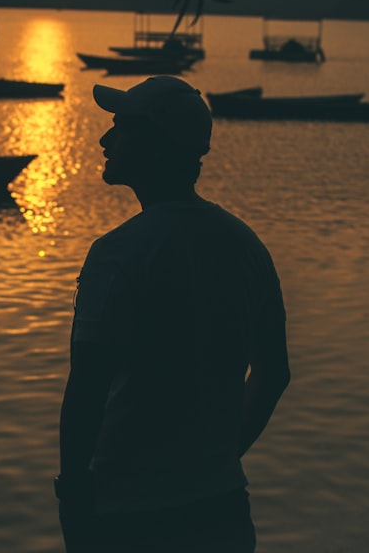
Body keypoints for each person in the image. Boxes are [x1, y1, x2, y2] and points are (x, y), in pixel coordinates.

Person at [56, 76, 290, 552]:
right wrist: (220, 456)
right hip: (222, 507)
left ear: (152, 143)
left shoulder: (118, 253)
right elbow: (274, 374)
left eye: (119, 127)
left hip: (129, 515)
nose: (105, 139)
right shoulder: (247, 247)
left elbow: (86, 389)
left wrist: (74, 494)